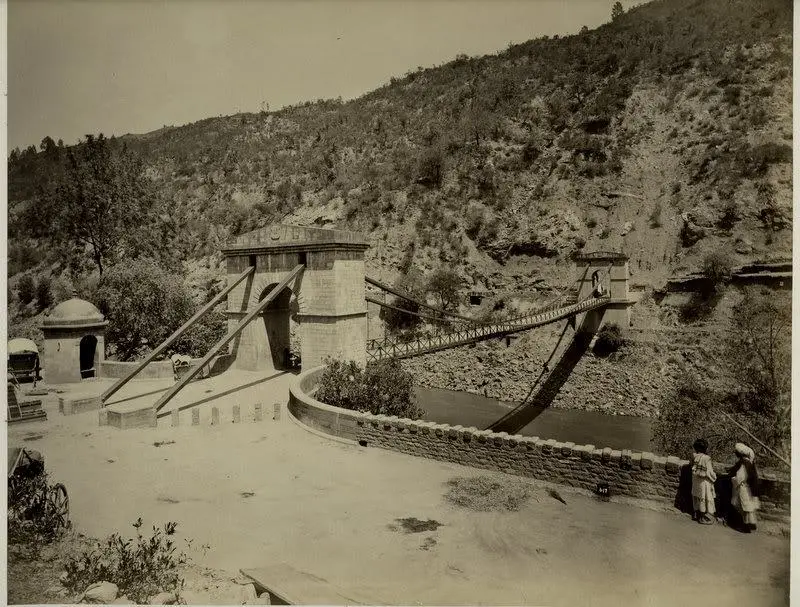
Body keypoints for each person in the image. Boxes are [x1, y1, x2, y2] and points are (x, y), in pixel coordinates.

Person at [730, 442, 760, 533]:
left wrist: (733, 479)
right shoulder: (749, 462)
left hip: (744, 488)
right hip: (750, 487)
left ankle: (745, 527)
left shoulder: (744, 463)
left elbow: (740, 477)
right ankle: (752, 524)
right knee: (750, 507)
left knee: (744, 507)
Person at [691, 438, 717, 524]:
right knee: (704, 497)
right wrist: (714, 477)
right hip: (703, 481)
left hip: (696, 480)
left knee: (697, 496)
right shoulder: (706, 459)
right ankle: (703, 518)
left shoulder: (694, 456)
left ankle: (696, 514)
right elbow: (709, 472)